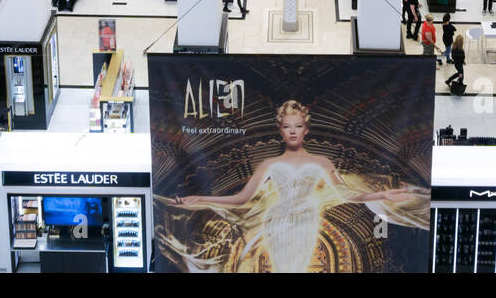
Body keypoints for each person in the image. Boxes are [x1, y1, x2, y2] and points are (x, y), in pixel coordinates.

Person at [168, 100, 428, 272]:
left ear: (306, 130)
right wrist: (199, 198)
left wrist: (382, 193)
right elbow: (240, 199)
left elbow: (348, 194)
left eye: (298, 126)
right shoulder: (269, 164)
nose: (293, 131)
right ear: (280, 130)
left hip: (306, 221)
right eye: (287, 127)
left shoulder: (322, 162)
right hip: (277, 222)